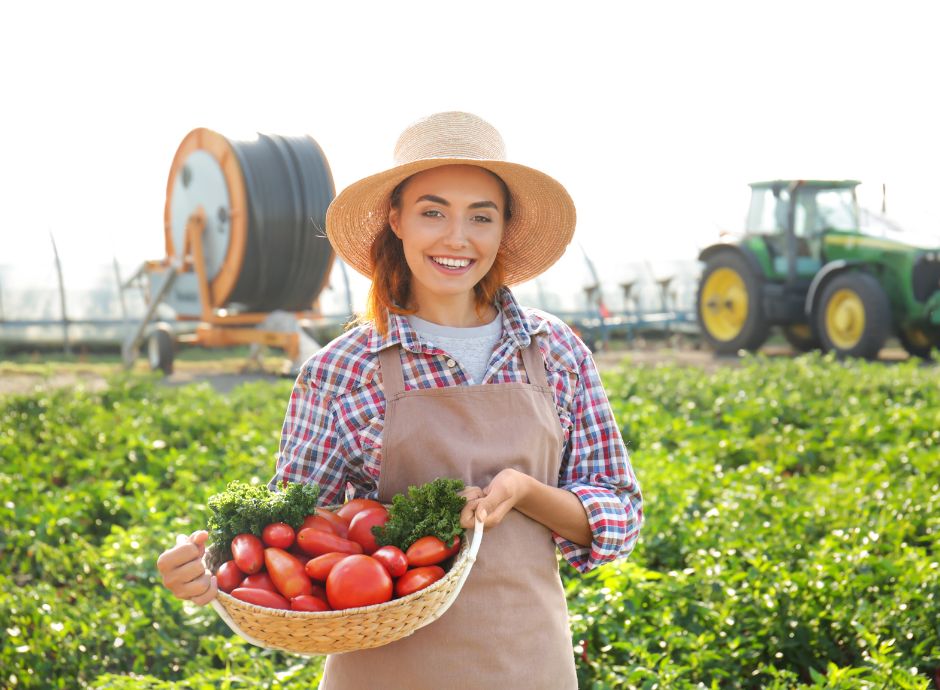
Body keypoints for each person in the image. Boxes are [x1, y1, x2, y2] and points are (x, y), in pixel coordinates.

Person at [157, 111, 643, 689]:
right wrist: (208, 561)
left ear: (503, 229)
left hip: (527, 663)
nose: (457, 237)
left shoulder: (556, 351)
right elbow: (287, 529)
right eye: (433, 212)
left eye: (480, 217)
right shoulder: (341, 369)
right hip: (382, 672)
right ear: (397, 221)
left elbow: (620, 514)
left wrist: (529, 493)